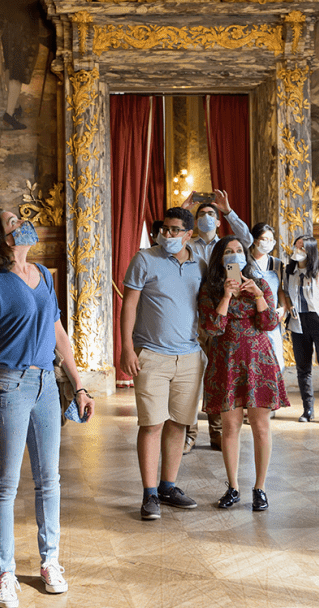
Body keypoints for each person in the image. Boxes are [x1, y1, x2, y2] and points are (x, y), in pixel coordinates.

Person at [0, 209, 93, 608]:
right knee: (6, 484)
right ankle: (5, 573)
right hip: (10, 384)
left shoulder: (44, 274)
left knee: (49, 478)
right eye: (13, 221)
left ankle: (50, 560)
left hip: (45, 384)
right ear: (5, 239)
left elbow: (58, 331)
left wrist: (79, 384)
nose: (23, 223)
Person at [120, 207, 205, 521]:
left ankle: (169, 487)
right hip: (152, 355)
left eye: (173, 230)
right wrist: (127, 347)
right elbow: (128, 305)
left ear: (188, 234)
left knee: (179, 423)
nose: (167, 235)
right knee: (152, 424)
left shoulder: (201, 265)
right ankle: (150, 493)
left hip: (191, 356)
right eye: (164, 229)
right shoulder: (144, 259)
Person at [199, 237, 288, 511]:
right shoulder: (211, 288)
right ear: (220, 258)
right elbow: (212, 328)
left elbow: (270, 322)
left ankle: (260, 488)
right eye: (229, 252)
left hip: (259, 362)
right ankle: (233, 486)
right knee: (230, 426)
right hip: (226, 361)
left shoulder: (259, 283)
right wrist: (226, 295)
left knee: (261, 426)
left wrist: (259, 296)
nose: (235, 256)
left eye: (239, 251)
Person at [182, 191, 253, 453]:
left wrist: (228, 210)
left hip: (222, 316)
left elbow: (247, 239)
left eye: (211, 214)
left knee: (218, 377)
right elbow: (174, 237)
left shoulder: (228, 247)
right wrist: (184, 210)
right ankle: (189, 433)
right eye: (201, 215)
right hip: (192, 317)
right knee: (192, 378)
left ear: (218, 220)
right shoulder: (190, 244)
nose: (207, 218)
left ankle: (217, 432)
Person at [286, 235, 319, 425]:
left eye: (303, 248)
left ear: (311, 250)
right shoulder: (289, 270)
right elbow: (286, 294)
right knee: (303, 368)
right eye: (296, 246)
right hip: (298, 320)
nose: (298, 250)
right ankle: (308, 409)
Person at [249, 223, 287, 371]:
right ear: (254, 240)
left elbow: (280, 289)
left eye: (271, 240)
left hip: (271, 317)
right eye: (264, 239)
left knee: (276, 361)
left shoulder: (277, 263)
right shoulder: (241, 261)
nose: (268, 243)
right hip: (250, 316)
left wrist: (283, 308)